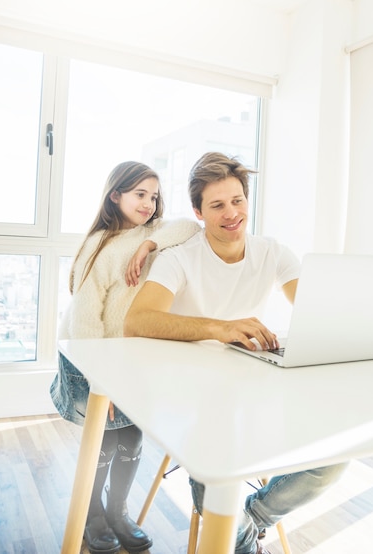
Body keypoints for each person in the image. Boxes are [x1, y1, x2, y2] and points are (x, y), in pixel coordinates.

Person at [123, 152, 347, 554]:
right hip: (191, 396)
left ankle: (251, 521)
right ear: (198, 212)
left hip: (254, 388)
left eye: (238, 200)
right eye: (218, 205)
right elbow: (137, 321)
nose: (232, 213)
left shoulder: (273, 252)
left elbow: (319, 313)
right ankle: (240, 538)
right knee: (216, 464)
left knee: (334, 454)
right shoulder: (179, 258)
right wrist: (219, 328)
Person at [50, 161, 200, 554]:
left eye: (154, 196)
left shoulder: (154, 234)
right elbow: (85, 320)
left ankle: (118, 512)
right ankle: (91, 515)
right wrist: (105, 383)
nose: (149, 203)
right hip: (92, 356)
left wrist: (149, 244)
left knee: (132, 437)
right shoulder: (97, 245)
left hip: (129, 356)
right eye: (139, 194)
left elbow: (189, 226)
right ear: (115, 195)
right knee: (104, 439)